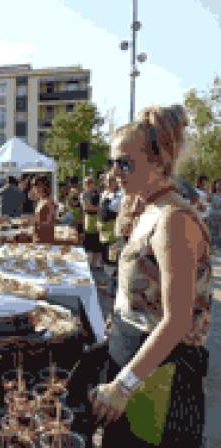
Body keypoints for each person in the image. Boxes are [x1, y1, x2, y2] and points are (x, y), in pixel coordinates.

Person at [68, 105, 212, 447]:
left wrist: (123, 387)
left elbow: (177, 321)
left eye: (125, 163)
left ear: (159, 161)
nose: (115, 172)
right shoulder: (150, 209)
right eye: (112, 163)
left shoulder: (174, 220)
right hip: (136, 359)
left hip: (160, 376)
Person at [97, 173, 122, 297]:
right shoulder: (106, 193)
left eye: (110, 181)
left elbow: (114, 208)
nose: (107, 183)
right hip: (104, 233)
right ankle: (108, 284)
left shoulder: (119, 195)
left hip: (113, 234)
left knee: (112, 260)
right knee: (106, 259)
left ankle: (111, 289)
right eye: (106, 181)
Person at [24, 175, 56, 243]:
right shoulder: (40, 200)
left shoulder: (48, 202)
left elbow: (48, 223)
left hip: (45, 241)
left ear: (45, 186)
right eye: (34, 186)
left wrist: (31, 222)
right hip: (37, 239)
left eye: (39, 186)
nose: (36, 189)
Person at [82, 176, 102, 268]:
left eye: (90, 182)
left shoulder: (98, 193)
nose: (89, 185)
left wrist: (98, 209)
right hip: (89, 219)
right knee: (88, 242)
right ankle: (89, 263)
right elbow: (86, 207)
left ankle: (96, 263)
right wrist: (99, 209)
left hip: (97, 219)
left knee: (97, 243)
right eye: (87, 183)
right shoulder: (84, 194)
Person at [209, 179, 221, 248]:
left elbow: (216, 206)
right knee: (213, 234)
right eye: (218, 183)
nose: (219, 185)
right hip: (213, 217)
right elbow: (210, 201)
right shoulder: (212, 195)